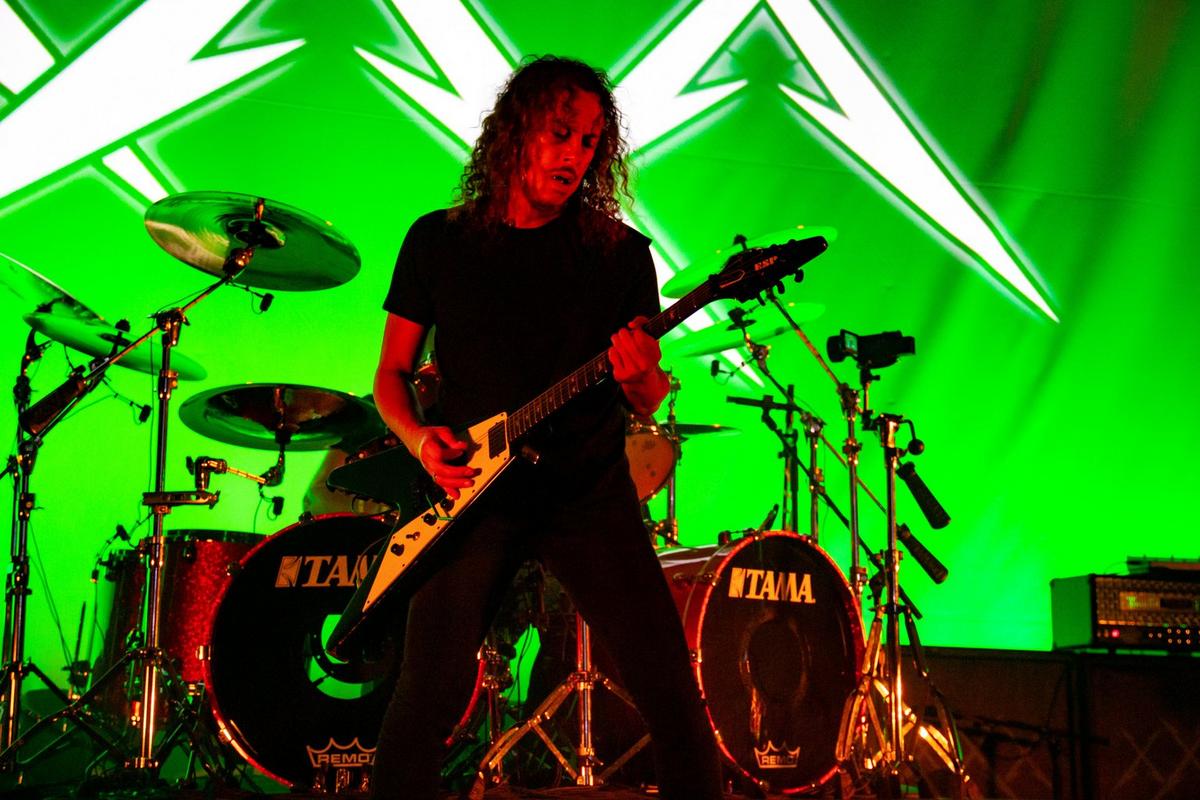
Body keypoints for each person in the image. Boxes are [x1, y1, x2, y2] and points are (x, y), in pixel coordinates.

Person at [370, 56, 724, 800]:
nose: (575, 154)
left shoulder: (618, 254)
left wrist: (643, 378)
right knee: (424, 696)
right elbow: (392, 375)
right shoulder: (436, 241)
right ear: (515, 131)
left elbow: (646, 395)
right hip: (471, 493)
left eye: (591, 141)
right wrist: (422, 440)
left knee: (670, 691)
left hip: (585, 493)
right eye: (562, 133)